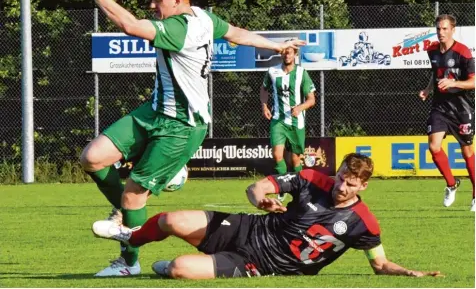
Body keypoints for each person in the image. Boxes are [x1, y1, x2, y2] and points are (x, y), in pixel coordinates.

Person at [72, 0, 305, 276]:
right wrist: (276, 45)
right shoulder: (203, 17)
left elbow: (129, 25)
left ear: (177, 1)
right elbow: (236, 33)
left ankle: (128, 263)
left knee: (132, 195)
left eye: (157, 0)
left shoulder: (181, 28)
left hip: (182, 125)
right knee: (92, 158)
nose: (152, 6)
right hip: (156, 110)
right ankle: (137, 202)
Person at [92, 153, 441, 279]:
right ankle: (130, 239)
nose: (340, 188)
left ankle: (167, 266)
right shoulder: (310, 179)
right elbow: (256, 188)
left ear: (363, 186)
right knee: (170, 220)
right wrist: (263, 200)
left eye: (350, 184)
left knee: (180, 268)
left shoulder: (364, 223)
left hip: (259, 264)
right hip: (247, 227)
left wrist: (410, 271)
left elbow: (379, 264)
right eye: (339, 179)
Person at [419, 14, 475, 211]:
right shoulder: (432, 50)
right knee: (434, 147)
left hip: (461, 108)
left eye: (444, 29)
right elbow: (435, 73)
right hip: (440, 107)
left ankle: (475, 194)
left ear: (453, 29)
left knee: (467, 151)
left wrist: (454, 83)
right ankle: (452, 184)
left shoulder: (463, 52)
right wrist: (428, 89)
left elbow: (474, 81)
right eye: (438, 29)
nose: (440, 32)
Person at [260, 43, 316, 202]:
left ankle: (301, 189)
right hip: (278, 120)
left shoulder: (301, 73)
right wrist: (264, 106)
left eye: (289, 53)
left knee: (295, 160)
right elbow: (263, 89)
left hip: (296, 122)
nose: (286, 55)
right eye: (284, 52)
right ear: (281, 55)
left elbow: (311, 99)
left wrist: (300, 107)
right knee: (277, 155)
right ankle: (282, 188)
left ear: (294, 55)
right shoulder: (272, 71)